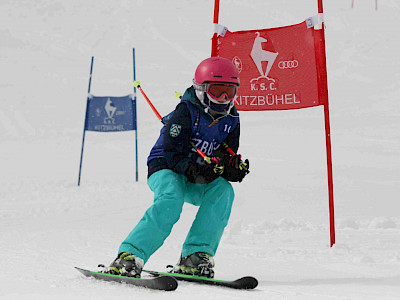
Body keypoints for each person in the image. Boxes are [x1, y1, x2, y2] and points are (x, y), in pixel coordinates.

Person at [106, 57, 249, 278]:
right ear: (201, 89)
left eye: (229, 92)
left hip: (196, 172)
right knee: (171, 197)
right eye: (217, 90)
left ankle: (195, 255)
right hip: (165, 166)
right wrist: (194, 170)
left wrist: (229, 167)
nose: (223, 98)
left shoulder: (232, 119)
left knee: (223, 191)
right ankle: (129, 255)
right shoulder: (186, 111)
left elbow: (225, 153)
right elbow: (172, 153)